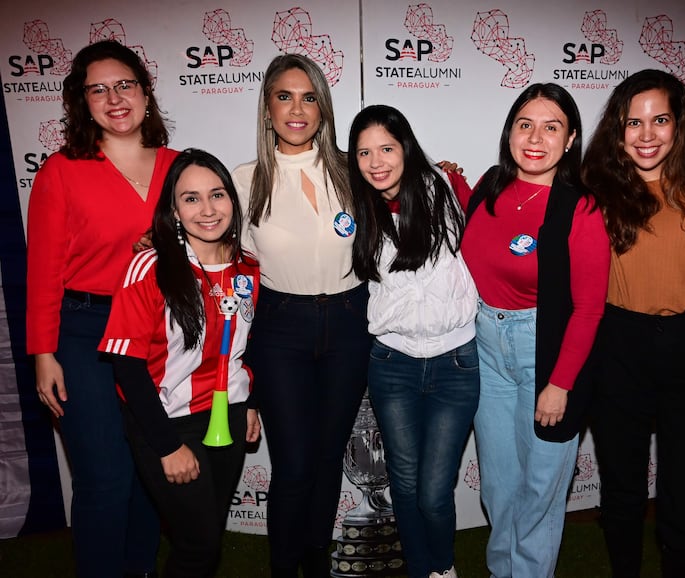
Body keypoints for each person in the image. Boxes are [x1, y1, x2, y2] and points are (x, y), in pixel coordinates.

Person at [582, 69, 685, 578]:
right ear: (618, 129)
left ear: (679, 125)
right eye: (634, 122)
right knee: (623, 488)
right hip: (617, 346)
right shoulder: (595, 191)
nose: (647, 134)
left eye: (660, 119)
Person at [26, 39, 178, 578]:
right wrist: (43, 353)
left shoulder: (178, 167)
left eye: (125, 85)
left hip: (158, 334)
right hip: (84, 332)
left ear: (144, 92)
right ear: (81, 101)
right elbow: (42, 269)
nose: (115, 98)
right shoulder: (62, 171)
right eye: (99, 89)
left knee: (145, 472)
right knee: (105, 476)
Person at [447, 83, 610, 578]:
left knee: (540, 485)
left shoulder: (580, 207)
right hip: (485, 347)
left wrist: (559, 384)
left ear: (571, 138)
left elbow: (588, 310)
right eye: (525, 124)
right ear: (510, 133)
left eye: (551, 126)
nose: (535, 138)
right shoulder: (491, 186)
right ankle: (504, 571)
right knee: (499, 483)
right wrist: (448, 179)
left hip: (545, 351)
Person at [231, 53, 371, 578]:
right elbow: (214, 251)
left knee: (329, 456)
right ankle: (283, 567)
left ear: (323, 108)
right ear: (267, 108)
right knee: (292, 465)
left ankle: (318, 565)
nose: (297, 108)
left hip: (350, 323)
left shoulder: (353, 170)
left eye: (309, 97)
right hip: (280, 328)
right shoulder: (244, 182)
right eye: (284, 96)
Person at [98, 148, 260, 577]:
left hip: (228, 412)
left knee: (207, 537)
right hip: (167, 422)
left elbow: (248, 343)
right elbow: (127, 368)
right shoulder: (149, 266)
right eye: (191, 198)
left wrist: (251, 400)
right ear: (173, 208)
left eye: (217, 195)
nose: (207, 209)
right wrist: (166, 445)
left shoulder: (248, 267)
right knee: (198, 543)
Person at [348, 105, 479, 578]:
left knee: (433, 491)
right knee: (403, 484)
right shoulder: (355, 208)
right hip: (393, 363)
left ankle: (443, 568)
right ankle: (420, 569)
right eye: (364, 152)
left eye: (386, 148)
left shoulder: (444, 189)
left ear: (405, 147)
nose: (376, 161)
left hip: (455, 363)